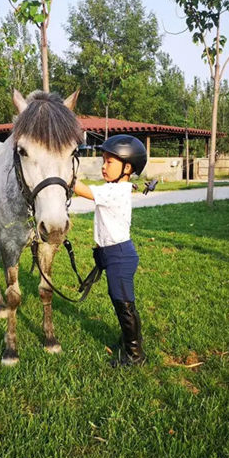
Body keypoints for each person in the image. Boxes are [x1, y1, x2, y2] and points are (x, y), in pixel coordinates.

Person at [74, 135, 148, 367]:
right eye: (103, 161)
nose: (103, 167)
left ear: (127, 168)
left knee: (124, 304)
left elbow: (82, 190)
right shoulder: (114, 188)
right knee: (120, 302)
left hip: (120, 255)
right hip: (113, 254)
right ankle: (129, 339)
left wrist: (62, 173)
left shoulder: (116, 192)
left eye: (109, 162)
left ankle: (135, 355)